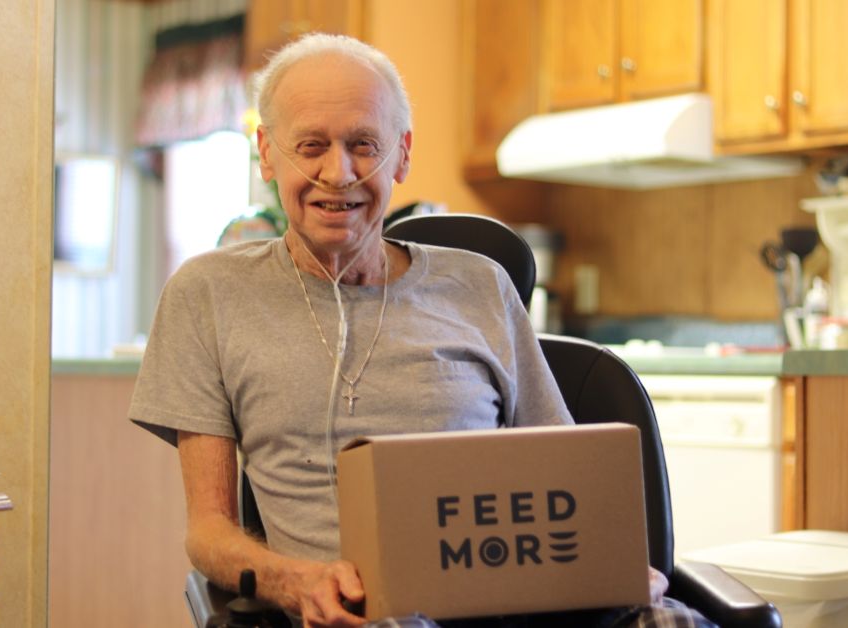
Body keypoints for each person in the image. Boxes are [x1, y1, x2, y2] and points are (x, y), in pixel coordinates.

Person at [129, 33, 713, 628]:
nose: (339, 172)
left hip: (519, 606)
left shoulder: (480, 285)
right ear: (267, 152)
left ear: (402, 155)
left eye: (365, 145)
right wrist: (293, 582)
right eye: (311, 146)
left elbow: (568, 483)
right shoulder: (207, 295)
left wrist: (613, 560)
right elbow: (208, 532)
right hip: (359, 615)